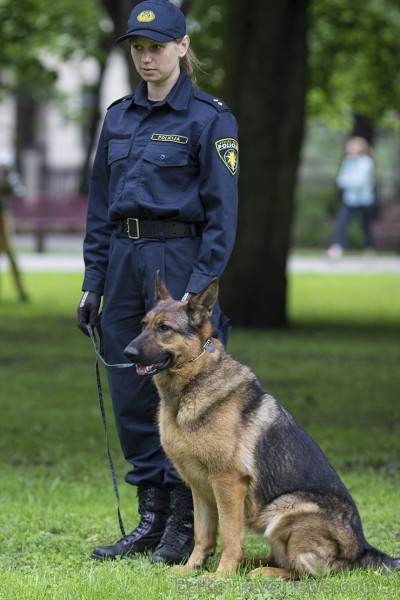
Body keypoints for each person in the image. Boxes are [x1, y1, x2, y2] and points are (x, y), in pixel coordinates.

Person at [76, 0, 239, 565]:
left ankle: (184, 525)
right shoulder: (118, 116)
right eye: (139, 48)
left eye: (158, 47)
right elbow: (99, 207)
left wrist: (197, 290)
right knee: (128, 386)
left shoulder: (209, 118)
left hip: (179, 257)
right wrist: (92, 283)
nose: (147, 57)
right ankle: (151, 519)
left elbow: (222, 215)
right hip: (123, 258)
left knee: (189, 396)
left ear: (183, 47)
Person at [327, 136, 376, 259]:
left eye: (354, 146)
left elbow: (359, 181)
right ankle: (336, 248)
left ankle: (369, 250)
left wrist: (349, 180)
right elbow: (340, 180)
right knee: (342, 224)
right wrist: (350, 181)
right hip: (349, 199)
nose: (351, 148)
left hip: (364, 200)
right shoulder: (348, 161)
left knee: (365, 226)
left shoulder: (366, 161)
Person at [0, 153, 29, 302]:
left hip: (3, 215)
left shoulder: (7, 171)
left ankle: (21, 290)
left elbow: (19, 192)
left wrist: (7, 179)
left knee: (10, 252)